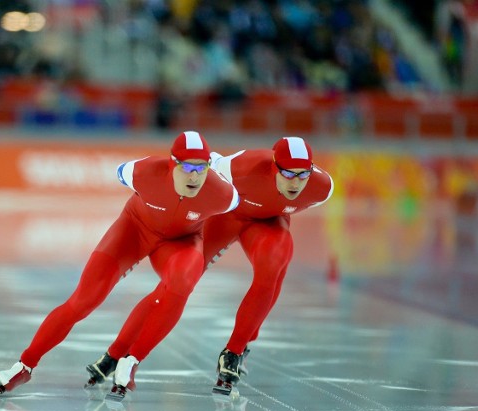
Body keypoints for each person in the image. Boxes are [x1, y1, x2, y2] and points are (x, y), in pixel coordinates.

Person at [0, 131, 240, 397]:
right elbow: (121, 171)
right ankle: (25, 365)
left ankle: (131, 360)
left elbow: (240, 211)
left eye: (201, 168)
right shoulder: (142, 172)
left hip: (181, 241)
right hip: (133, 231)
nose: (194, 176)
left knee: (183, 283)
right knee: (84, 300)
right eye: (188, 168)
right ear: (172, 164)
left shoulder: (223, 194)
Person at [85, 136, 333, 393]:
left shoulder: (322, 188)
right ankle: (115, 354)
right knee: (175, 286)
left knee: (277, 262)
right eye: (288, 174)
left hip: (267, 223)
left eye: (303, 174)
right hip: (226, 218)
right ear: (273, 167)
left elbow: (291, 198)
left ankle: (235, 351)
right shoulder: (239, 168)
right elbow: (201, 174)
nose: (296, 182)